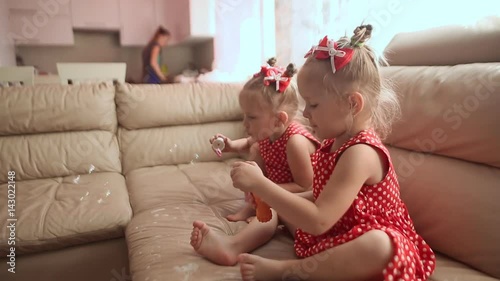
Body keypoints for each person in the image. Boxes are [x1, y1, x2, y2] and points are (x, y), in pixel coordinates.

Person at [192, 24, 436, 281]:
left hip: (360, 237)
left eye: (314, 104)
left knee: (379, 245)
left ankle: (288, 271)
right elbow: (320, 196)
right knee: (273, 207)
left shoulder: (361, 152)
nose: (305, 113)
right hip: (337, 230)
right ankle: (233, 247)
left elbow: (319, 220)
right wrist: (268, 195)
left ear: (352, 104)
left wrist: (262, 184)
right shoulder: (334, 142)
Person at [209, 57, 320, 223]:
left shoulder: (295, 142)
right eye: (244, 115)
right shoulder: (267, 134)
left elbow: (306, 186)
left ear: (278, 120)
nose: (244, 123)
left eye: (251, 117)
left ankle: (259, 209)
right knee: (255, 149)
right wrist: (230, 145)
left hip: (300, 198)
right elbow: (247, 143)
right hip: (271, 192)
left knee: (256, 154)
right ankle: (253, 207)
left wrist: (264, 190)